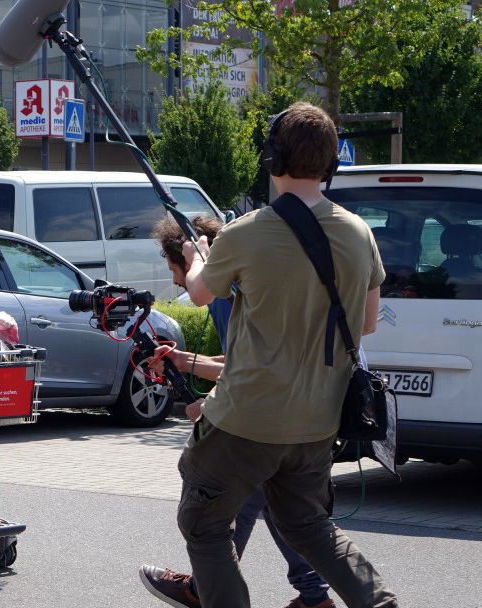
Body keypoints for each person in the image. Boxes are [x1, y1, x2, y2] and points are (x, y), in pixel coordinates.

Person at [165, 102, 394, 607]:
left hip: (246, 419)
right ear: (330, 164)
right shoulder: (359, 232)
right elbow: (368, 323)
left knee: (202, 524)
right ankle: (379, 603)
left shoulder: (244, 232)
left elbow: (199, 293)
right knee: (309, 526)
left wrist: (197, 256)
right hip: (317, 423)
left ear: (272, 157)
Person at [139, 215, 337, 608]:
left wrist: (210, 402)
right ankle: (313, 597)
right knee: (273, 503)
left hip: (267, 417)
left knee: (231, 504)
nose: (176, 282)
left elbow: (248, 369)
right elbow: (242, 360)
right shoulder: (240, 284)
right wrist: (185, 361)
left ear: (192, 258)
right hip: (298, 410)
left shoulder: (223, 295)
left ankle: (205, 590)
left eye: (175, 269)